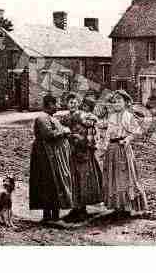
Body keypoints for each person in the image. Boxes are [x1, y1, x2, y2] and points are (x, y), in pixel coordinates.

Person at [102, 90, 149, 219]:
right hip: (112, 150)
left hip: (122, 149)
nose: (116, 103)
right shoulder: (111, 116)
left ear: (125, 102)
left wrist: (127, 140)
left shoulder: (128, 116)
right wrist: (105, 146)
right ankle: (117, 207)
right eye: (114, 101)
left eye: (119, 100)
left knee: (124, 177)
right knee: (114, 178)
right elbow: (108, 133)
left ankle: (127, 207)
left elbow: (136, 132)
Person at [29, 94, 73, 222]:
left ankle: (54, 215)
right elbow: (48, 134)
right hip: (44, 156)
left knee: (54, 184)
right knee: (48, 183)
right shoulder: (42, 118)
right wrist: (64, 131)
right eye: (56, 104)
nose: (58, 107)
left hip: (52, 155)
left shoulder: (51, 118)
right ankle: (48, 216)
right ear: (49, 105)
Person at [60, 94, 103, 222]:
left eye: (74, 102)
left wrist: (83, 140)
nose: (72, 104)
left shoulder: (85, 116)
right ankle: (75, 208)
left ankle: (82, 209)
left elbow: (92, 132)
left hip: (83, 153)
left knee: (83, 179)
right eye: (70, 102)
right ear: (66, 104)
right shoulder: (65, 117)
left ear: (78, 103)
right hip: (70, 152)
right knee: (72, 180)